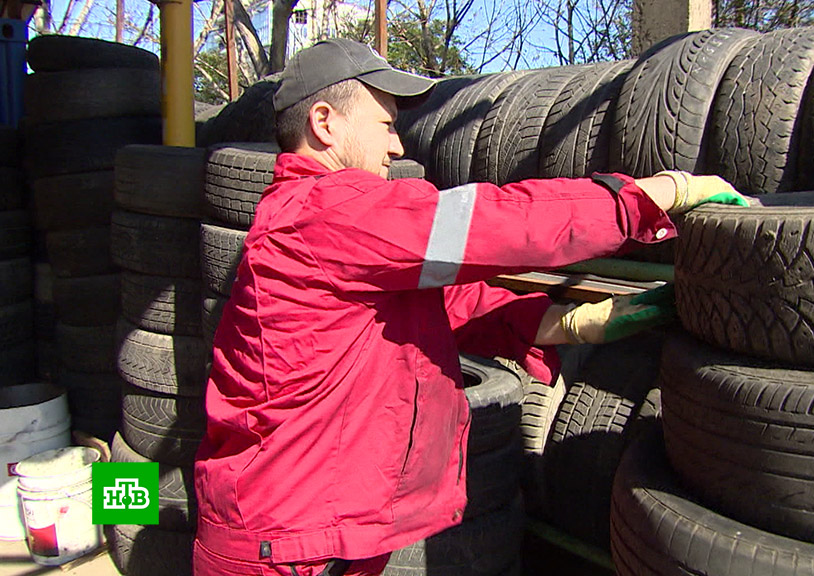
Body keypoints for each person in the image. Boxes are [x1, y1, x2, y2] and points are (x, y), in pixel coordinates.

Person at [192, 38, 751, 576]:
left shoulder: (326, 227)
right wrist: (651, 195)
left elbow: (447, 306)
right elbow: (492, 224)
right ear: (324, 123)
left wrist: (578, 323)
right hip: (283, 545)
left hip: (320, 532)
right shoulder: (326, 211)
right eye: (386, 125)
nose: (397, 147)